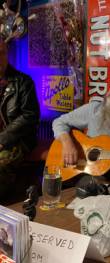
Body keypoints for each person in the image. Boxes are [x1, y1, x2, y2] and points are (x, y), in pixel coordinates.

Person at [0, 40, 40, 198]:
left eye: (1, 52)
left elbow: (30, 116)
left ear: (7, 54)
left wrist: (3, 139)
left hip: (19, 139)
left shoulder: (23, 82)